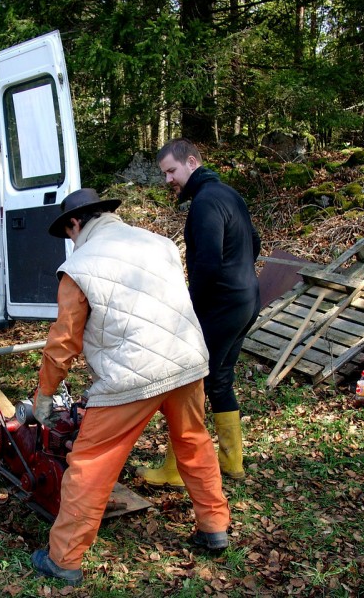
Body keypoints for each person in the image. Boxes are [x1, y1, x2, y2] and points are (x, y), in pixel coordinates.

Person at [29, 188, 230, 586]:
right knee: (193, 441)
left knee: (90, 464)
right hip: (187, 361)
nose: (70, 240)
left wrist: (45, 393)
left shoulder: (81, 265)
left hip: (132, 374)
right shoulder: (159, 243)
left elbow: (64, 339)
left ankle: (63, 559)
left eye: (68, 233)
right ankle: (214, 526)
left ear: (75, 223)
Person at [138, 138, 260, 483]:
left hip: (221, 305)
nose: (168, 180)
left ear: (192, 162)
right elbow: (256, 240)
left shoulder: (205, 202)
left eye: (171, 171)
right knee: (220, 379)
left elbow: (207, 264)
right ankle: (231, 463)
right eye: (164, 174)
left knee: (188, 381)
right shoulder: (228, 194)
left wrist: (188, 309)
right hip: (247, 299)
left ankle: (176, 469)